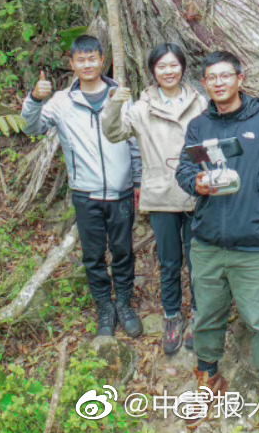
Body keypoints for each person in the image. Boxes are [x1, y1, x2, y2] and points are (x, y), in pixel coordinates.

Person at [175, 51, 259, 415]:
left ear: (240, 77)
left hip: (254, 245)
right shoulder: (199, 126)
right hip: (206, 242)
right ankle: (208, 377)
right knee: (206, 315)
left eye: (225, 76)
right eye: (211, 78)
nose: (219, 82)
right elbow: (184, 171)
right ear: (204, 84)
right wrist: (197, 183)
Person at [22, 35, 143, 338]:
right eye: (81, 59)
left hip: (122, 191)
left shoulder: (121, 96)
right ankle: (105, 307)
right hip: (85, 193)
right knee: (92, 255)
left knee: (123, 251)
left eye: (93, 58)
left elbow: (135, 143)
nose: (87, 64)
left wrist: (139, 181)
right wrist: (35, 99)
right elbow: (32, 128)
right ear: (72, 64)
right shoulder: (62, 102)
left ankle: (125, 304)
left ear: (103, 60)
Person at [103, 42, 206, 355]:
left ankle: (201, 316)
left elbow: (208, 140)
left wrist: (201, 169)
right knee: (170, 261)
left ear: (183, 68)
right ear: (152, 71)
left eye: (174, 65)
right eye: (162, 66)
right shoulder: (141, 107)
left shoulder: (199, 102)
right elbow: (114, 133)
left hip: (197, 191)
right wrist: (114, 105)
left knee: (199, 260)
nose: (169, 71)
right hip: (161, 193)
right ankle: (172, 316)